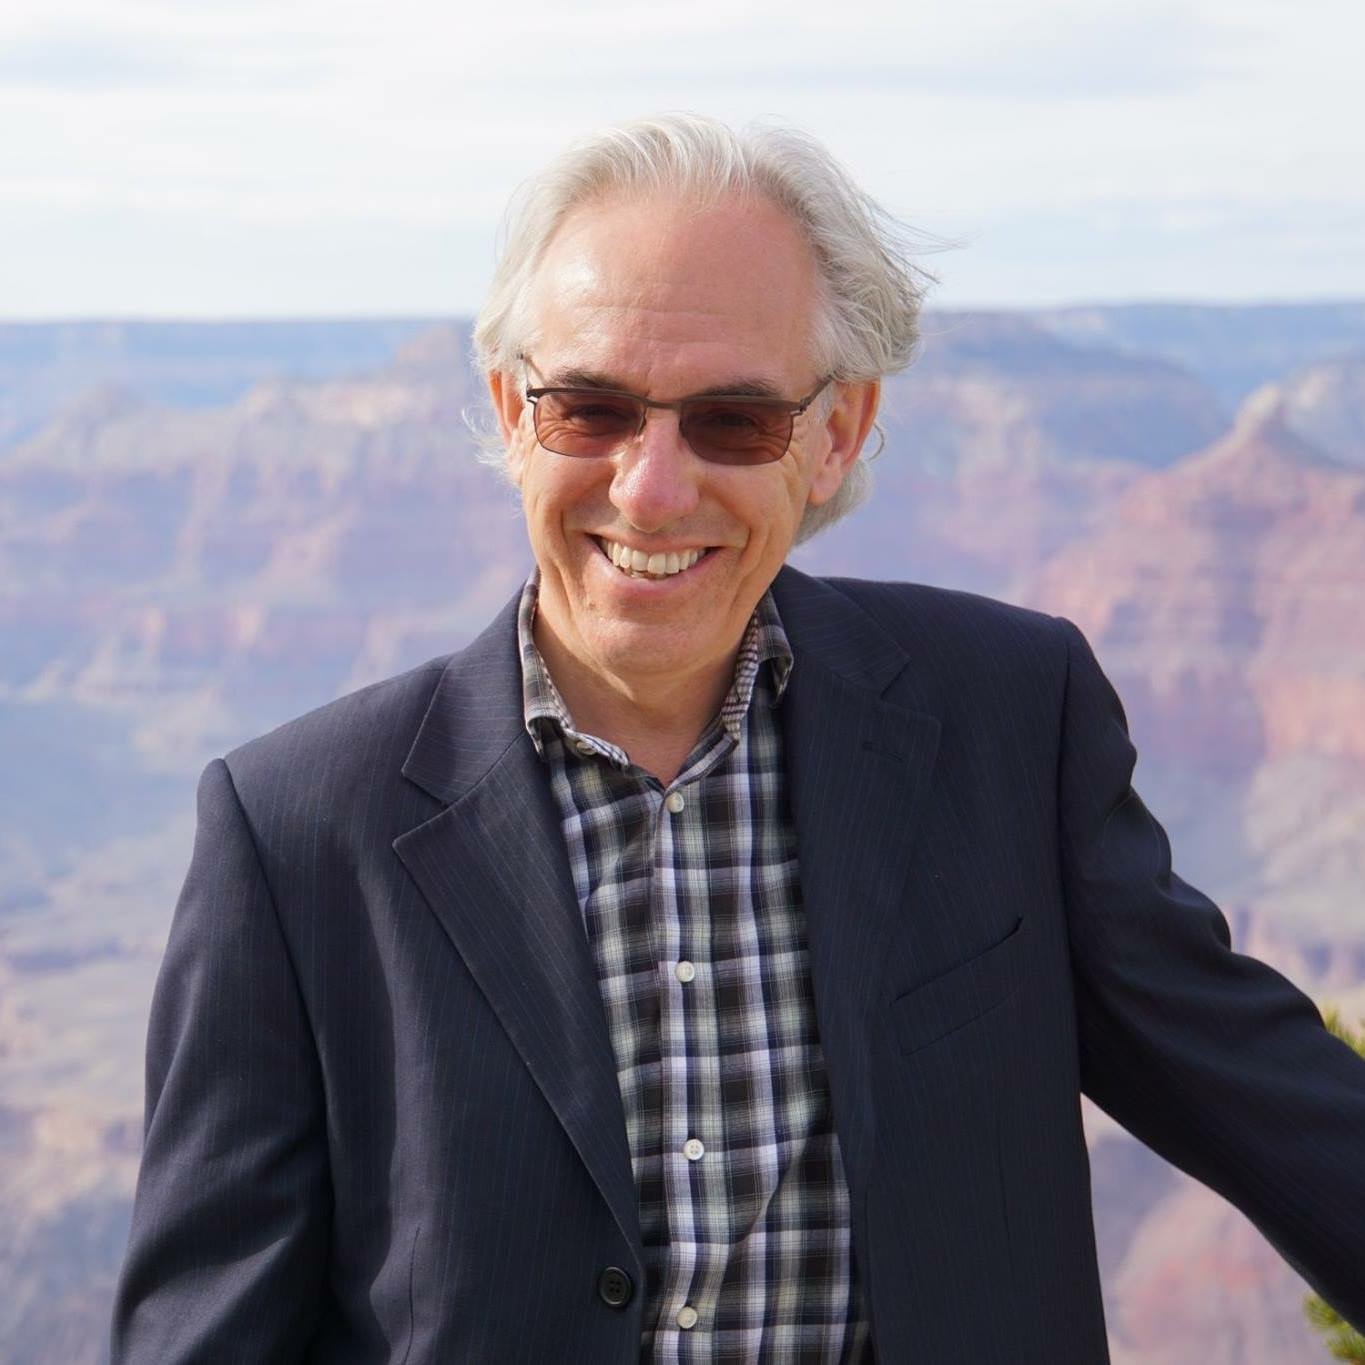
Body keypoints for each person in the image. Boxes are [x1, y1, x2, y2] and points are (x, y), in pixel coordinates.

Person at [111, 114, 1365, 1363]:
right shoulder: (295, 833)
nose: (652, 488)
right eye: (590, 410)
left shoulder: (1006, 723)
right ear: (509, 410)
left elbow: (1271, 1104)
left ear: (835, 433)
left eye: (733, 422)